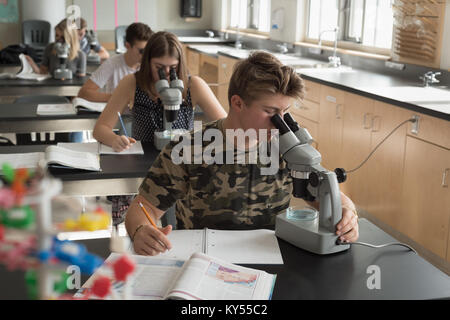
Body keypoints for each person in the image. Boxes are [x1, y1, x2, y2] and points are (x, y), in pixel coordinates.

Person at [124, 51, 359, 256]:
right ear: (238, 103)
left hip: (272, 258)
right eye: (271, 111)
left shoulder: (288, 148)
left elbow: (326, 191)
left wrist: (347, 213)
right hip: (203, 260)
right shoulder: (188, 149)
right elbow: (143, 208)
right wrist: (141, 231)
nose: (281, 123)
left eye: (285, 111)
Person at [93, 31, 227, 224]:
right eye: (159, 67)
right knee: (145, 226)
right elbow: (101, 128)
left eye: (173, 68)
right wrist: (115, 139)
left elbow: (225, 126)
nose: (166, 74)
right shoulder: (132, 83)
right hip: (143, 170)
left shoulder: (193, 85)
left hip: (181, 167)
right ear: (147, 63)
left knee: (180, 225)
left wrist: (202, 142)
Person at [78, 22, 153, 102]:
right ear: (127, 46)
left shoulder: (151, 65)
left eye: (148, 51)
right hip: (117, 113)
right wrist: (119, 98)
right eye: (142, 51)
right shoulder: (112, 64)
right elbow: (83, 93)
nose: (146, 56)